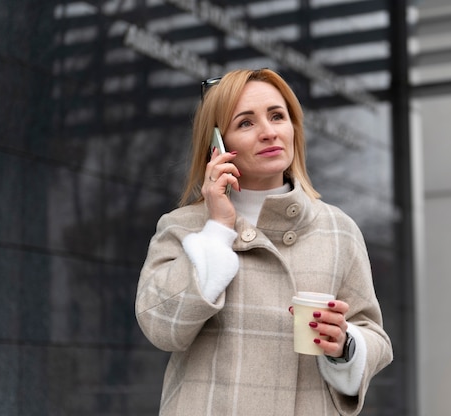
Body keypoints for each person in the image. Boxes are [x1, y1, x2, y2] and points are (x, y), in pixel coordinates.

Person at [136, 68, 393, 416]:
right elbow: (162, 328)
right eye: (246, 123)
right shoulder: (183, 227)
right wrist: (217, 230)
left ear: (294, 128)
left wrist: (345, 343)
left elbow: (373, 334)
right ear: (217, 145)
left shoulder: (337, 229)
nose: (269, 132)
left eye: (277, 116)